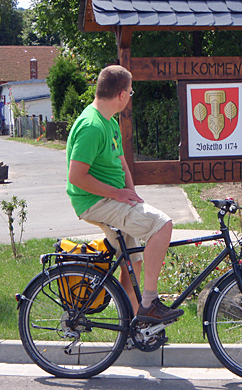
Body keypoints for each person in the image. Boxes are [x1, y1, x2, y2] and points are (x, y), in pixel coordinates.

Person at [66, 65, 183, 324]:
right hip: (96, 201)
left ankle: (134, 325)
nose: (131, 96)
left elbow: (121, 162)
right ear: (121, 94)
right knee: (162, 225)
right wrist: (118, 194)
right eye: (131, 91)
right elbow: (76, 177)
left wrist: (130, 192)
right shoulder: (91, 126)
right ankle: (150, 303)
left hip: (112, 198)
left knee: (133, 263)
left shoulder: (109, 122)